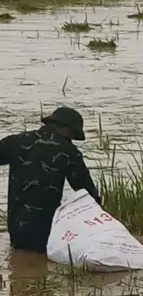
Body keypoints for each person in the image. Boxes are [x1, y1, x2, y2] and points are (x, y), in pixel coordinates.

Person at [0, 107, 100, 254]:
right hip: (45, 231)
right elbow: (86, 191)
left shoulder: (16, 142)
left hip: (16, 228)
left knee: (20, 259)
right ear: (67, 129)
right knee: (39, 261)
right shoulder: (69, 151)